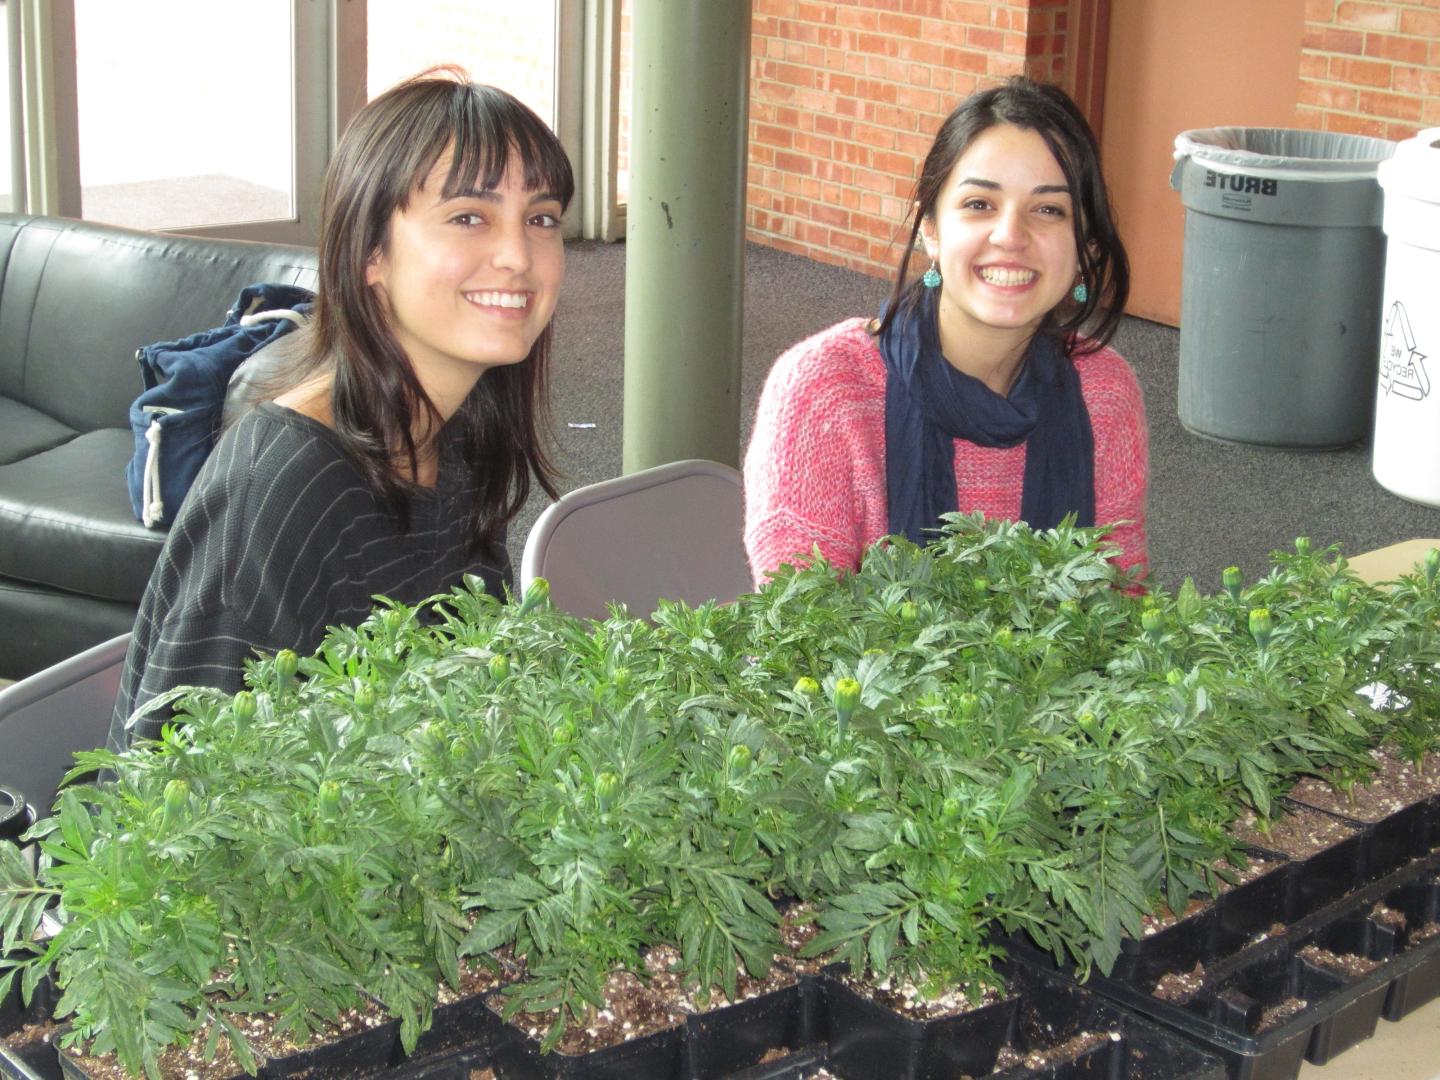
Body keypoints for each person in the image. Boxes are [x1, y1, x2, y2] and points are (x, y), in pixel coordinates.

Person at [109, 70, 572, 749]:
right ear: (369, 254)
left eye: (542, 219)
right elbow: (172, 795)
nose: (518, 256)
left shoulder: (464, 428)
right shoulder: (286, 485)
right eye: (468, 217)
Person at [743, 76, 1147, 585]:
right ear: (930, 228)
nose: (1010, 236)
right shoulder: (825, 390)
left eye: (1049, 209)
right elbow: (799, 633)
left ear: (1087, 247)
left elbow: (1123, 605)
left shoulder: (1103, 392)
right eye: (980, 204)